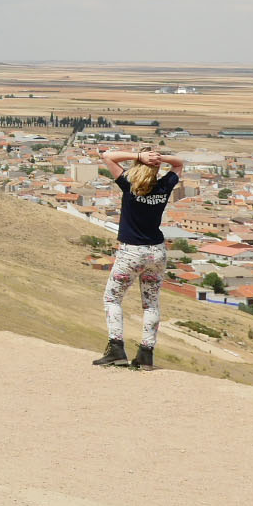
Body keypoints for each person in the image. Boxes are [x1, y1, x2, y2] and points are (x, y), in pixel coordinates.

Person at [93, 147, 186, 370]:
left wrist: (139, 157)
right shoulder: (164, 186)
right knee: (151, 304)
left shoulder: (129, 184)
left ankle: (116, 348)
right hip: (157, 251)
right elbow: (180, 163)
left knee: (112, 299)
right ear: (156, 167)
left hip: (132, 252)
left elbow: (108, 157)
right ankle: (146, 353)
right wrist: (158, 159)